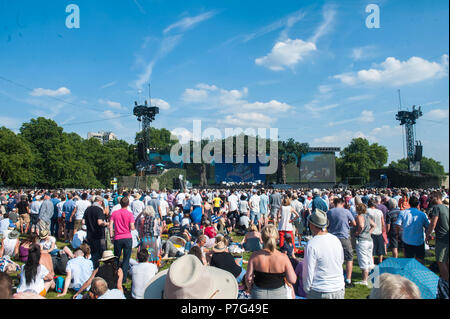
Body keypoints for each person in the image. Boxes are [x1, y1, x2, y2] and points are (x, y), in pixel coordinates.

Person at [302, 209, 345, 299]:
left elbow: (308, 271)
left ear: (312, 225)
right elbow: (341, 261)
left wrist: (307, 289)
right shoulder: (335, 240)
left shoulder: (312, 244)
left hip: (320, 289)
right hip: (338, 287)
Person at [245, 224, 297, 299]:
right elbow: (293, 279)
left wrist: (250, 288)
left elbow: (248, 279)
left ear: (262, 238)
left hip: (258, 293)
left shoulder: (254, 256)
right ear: (277, 239)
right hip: (279, 294)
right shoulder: (283, 258)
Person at [327, 197, 356, 288]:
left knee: (333, 258)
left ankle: (334, 276)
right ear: (342, 203)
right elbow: (354, 223)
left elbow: (326, 223)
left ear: (334, 203)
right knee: (349, 258)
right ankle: (348, 279)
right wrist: (348, 224)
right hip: (344, 236)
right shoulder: (346, 211)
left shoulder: (330, 212)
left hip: (332, 237)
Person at [396, 196, 430, 264]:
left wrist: (399, 233)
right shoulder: (422, 214)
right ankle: (417, 272)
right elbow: (427, 226)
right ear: (418, 204)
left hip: (407, 239)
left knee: (408, 259)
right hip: (418, 240)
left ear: (409, 203)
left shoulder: (403, 213)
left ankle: (409, 272)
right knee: (419, 259)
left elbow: (397, 225)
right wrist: (427, 235)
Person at [109, 196, 135, 284]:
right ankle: (123, 278)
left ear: (120, 203)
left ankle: (115, 275)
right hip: (127, 237)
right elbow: (132, 227)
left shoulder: (115, 213)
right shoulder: (130, 214)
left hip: (118, 237)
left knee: (116, 258)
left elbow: (110, 225)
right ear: (128, 204)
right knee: (126, 259)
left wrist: (111, 236)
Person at [426, 193, 449, 281]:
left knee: (440, 260)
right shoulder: (446, 207)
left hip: (441, 238)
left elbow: (433, 223)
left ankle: (445, 281)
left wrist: (427, 235)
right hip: (447, 236)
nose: (430, 200)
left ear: (437, 197)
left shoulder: (436, 208)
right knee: (446, 260)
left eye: (431, 198)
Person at [83, 195, 108, 269]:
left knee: (92, 252)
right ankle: (97, 268)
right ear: (100, 202)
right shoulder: (99, 210)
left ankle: (92, 266)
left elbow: (83, 221)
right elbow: (99, 222)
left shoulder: (87, 209)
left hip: (89, 234)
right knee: (100, 252)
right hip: (98, 234)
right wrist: (107, 223)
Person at [354, 203, 376, 286]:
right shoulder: (367, 216)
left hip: (362, 240)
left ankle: (364, 280)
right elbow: (374, 225)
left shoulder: (359, 216)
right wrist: (369, 233)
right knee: (370, 259)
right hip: (369, 240)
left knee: (363, 260)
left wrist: (357, 233)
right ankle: (373, 279)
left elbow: (361, 226)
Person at [367, 199, 386, 264]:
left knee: (372, 250)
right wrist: (383, 230)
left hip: (371, 232)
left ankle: (372, 263)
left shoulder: (367, 211)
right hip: (379, 231)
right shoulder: (379, 211)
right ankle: (380, 261)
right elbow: (383, 223)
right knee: (380, 249)